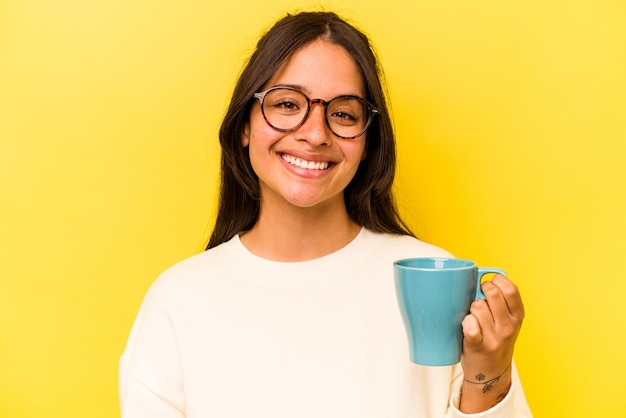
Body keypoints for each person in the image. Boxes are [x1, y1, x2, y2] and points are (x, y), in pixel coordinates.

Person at [119, 11, 531, 417]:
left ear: (367, 143)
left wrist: (489, 374)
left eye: (343, 114)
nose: (315, 133)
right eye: (286, 103)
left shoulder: (433, 281)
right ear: (245, 125)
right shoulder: (178, 300)